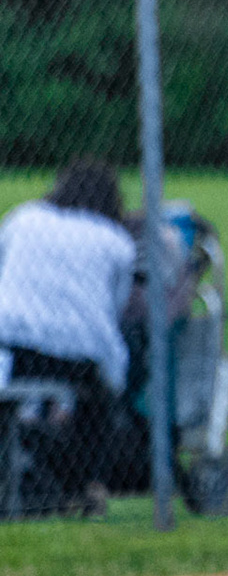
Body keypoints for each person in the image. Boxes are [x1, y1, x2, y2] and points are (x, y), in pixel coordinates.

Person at [0, 159, 144, 503]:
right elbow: (116, 307)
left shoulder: (24, 218)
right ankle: (82, 485)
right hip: (75, 354)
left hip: (13, 346)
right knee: (103, 395)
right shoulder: (116, 242)